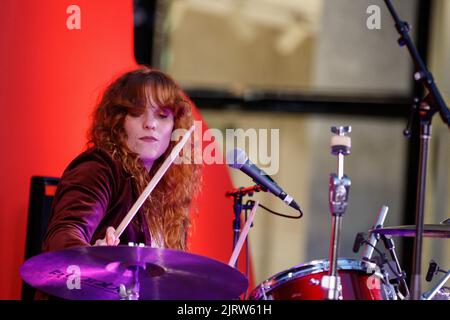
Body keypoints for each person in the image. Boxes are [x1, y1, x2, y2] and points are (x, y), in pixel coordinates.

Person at [41, 66, 202, 254]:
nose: (150, 124)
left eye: (162, 115)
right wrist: (88, 255)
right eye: (136, 112)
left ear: (175, 126)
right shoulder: (99, 167)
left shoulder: (168, 192)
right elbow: (65, 233)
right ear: (118, 121)